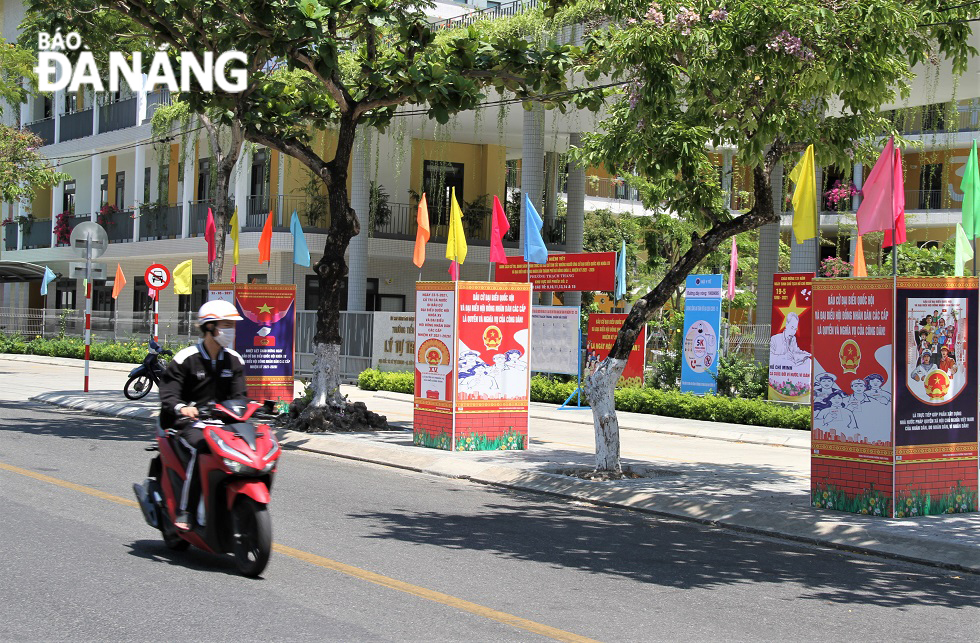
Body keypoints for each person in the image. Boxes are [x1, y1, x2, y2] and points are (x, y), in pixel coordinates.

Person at [159, 300, 247, 531]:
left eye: (232, 325)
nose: (231, 330)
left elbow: (240, 396)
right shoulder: (186, 358)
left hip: (224, 427)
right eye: (226, 324)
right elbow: (169, 394)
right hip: (189, 425)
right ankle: (186, 510)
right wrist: (181, 408)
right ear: (209, 327)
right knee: (203, 448)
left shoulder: (235, 360)